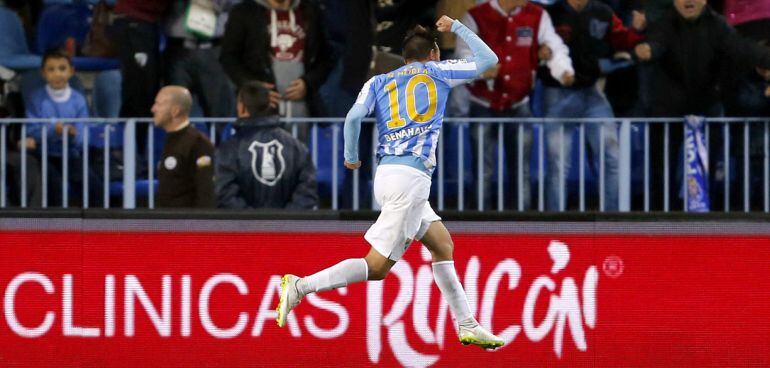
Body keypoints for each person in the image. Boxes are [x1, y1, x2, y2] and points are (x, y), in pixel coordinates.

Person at [275, 16, 505, 349]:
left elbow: (353, 117)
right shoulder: (438, 72)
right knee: (377, 267)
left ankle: (467, 323)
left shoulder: (378, 81)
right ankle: (301, 286)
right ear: (433, 53)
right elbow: (488, 61)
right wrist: (456, 26)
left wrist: (352, 156)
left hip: (386, 177)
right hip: (411, 181)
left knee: (442, 245)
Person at [634, 0, 770, 210]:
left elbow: (742, 49)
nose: (689, 1)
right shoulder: (663, 23)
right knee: (662, 171)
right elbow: (657, 42)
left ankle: (707, 219)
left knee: (708, 169)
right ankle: (659, 220)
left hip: (707, 107)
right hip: (668, 110)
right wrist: (649, 49)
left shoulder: (718, 25)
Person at [456, 0, 574, 210]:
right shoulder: (475, 16)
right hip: (482, 102)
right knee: (483, 169)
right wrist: (480, 70)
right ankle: (479, 227)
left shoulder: (537, 15)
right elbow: (463, 54)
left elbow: (554, 46)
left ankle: (522, 227)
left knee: (522, 170)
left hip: (519, 103)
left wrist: (564, 70)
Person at [540, 0, 643, 212]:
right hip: (557, 92)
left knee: (612, 156)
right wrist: (539, 52)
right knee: (558, 163)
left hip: (591, 91)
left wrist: (636, 30)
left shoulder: (603, 12)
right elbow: (534, 46)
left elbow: (622, 40)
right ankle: (553, 223)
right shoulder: (550, 13)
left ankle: (612, 220)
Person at [219, 0, 333, 118]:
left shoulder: (311, 12)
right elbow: (228, 57)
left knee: (296, 137)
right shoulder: (244, 12)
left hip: (301, 109)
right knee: (260, 136)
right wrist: (253, 86)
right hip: (258, 106)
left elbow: (326, 57)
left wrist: (308, 83)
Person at [215, 81, 318, 209]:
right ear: (269, 105)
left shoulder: (228, 149)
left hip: (245, 228)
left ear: (241, 107)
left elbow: (225, 194)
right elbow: (307, 194)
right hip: (287, 227)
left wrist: (255, 224)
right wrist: (283, 223)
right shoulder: (297, 148)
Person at [25, 49, 98, 207]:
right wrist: (54, 130)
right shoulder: (36, 98)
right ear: (43, 73)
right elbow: (31, 130)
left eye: (62, 68)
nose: (57, 74)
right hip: (44, 155)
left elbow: (81, 136)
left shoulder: (78, 100)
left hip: (71, 155)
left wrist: (71, 135)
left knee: (93, 185)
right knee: (54, 186)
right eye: (51, 69)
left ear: (72, 71)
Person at [151, 86, 216, 208]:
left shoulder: (198, 143)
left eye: (159, 104)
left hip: (186, 224)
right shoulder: (170, 139)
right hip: (167, 223)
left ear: (175, 111)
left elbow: (206, 193)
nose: (153, 109)